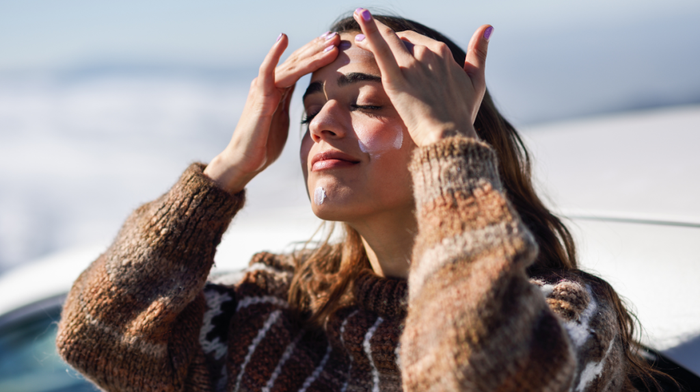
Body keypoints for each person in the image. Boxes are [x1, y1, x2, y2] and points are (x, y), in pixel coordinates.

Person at [56, 8, 659, 392]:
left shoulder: (566, 318)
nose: (321, 125)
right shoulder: (275, 306)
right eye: (310, 108)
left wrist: (448, 145)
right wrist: (226, 170)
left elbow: (475, 375)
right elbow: (95, 336)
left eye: (367, 102)